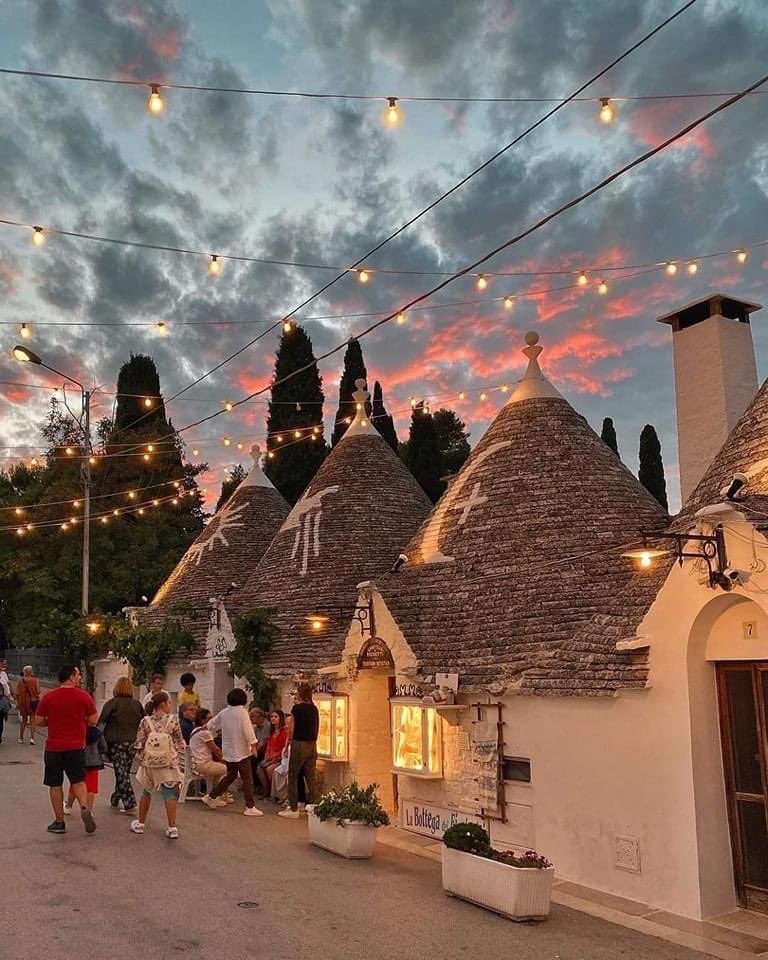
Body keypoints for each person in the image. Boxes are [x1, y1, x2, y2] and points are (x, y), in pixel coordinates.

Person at [35, 665, 98, 835]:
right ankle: (85, 807)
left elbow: (38, 720)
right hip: (76, 747)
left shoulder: (49, 697)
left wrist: (52, 721)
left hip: (54, 747)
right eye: (78, 675)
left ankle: (59, 822)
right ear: (71, 676)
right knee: (78, 781)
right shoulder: (84, 696)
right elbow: (93, 720)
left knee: (55, 784)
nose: (80, 678)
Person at [131, 691, 184, 839]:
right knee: (169, 794)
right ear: (163, 704)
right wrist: (178, 760)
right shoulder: (173, 720)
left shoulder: (145, 721)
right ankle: (172, 827)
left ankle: (141, 824)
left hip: (150, 763)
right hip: (168, 762)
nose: (170, 705)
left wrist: (140, 758)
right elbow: (180, 741)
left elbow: (139, 742)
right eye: (169, 702)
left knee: (146, 792)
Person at [202, 688, 262, 817]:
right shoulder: (242, 713)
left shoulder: (224, 712)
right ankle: (249, 806)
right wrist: (253, 744)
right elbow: (248, 730)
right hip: (241, 750)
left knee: (231, 775)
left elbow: (211, 724)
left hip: (228, 750)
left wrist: (204, 728)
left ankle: (211, 796)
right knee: (247, 778)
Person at [98, 676, 144, 814]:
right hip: (132, 743)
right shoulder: (137, 705)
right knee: (123, 771)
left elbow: (101, 724)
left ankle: (129, 803)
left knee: (121, 772)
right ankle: (115, 797)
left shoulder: (111, 704)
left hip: (116, 742)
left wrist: (97, 743)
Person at [279, 683, 319, 819]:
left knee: (293, 776)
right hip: (312, 744)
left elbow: (292, 729)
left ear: (300, 694)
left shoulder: (297, 708)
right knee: (310, 777)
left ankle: (294, 808)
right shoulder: (314, 709)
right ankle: (315, 807)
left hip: (299, 744)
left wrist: (287, 745)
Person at [64, 724, 108, 816]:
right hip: (94, 762)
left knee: (76, 784)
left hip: (79, 760)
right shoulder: (97, 732)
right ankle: (89, 810)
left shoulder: (77, 730)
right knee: (91, 787)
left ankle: (68, 806)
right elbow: (104, 747)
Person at [189, 708, 229, 797]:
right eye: (209, 718)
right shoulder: (205, 733)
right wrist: (227, 760)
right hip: (203, 764)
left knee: (220, 770)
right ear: (203, 720)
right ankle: (215, 795)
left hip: (196, 763)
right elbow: (216, 750)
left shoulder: (195, 730)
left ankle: (218, 794)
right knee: (230, 771)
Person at [256, 710, 289, 800]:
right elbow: (269, 746)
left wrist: (275, 757)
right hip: (271, 756)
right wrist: (267, 755)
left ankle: (275, 791)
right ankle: (266, 789)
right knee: (259, 768)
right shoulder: (272, 731)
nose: (273, 719)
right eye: (272, 717)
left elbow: (284, 747)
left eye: (275, 717)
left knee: (270, 769)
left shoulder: (284, 732)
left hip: (279, 757)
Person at [15, 665, 41, 745]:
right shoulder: (35, 680)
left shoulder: (20, 681)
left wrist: (18, 702)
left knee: (24, 720)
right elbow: (38, 691)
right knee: (33, 720)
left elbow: (17, 693)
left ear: (24, 672)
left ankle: (21, 738)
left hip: (23, 702)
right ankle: (32, 738)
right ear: (31, 672)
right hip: (33, 702)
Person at [0, 657, 13, 745]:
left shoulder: (4, 674)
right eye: (4, 663)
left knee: (2, 719)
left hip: (2, 699)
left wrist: (10, 694)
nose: (6, 665)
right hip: (2, 699)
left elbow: (7, 685)